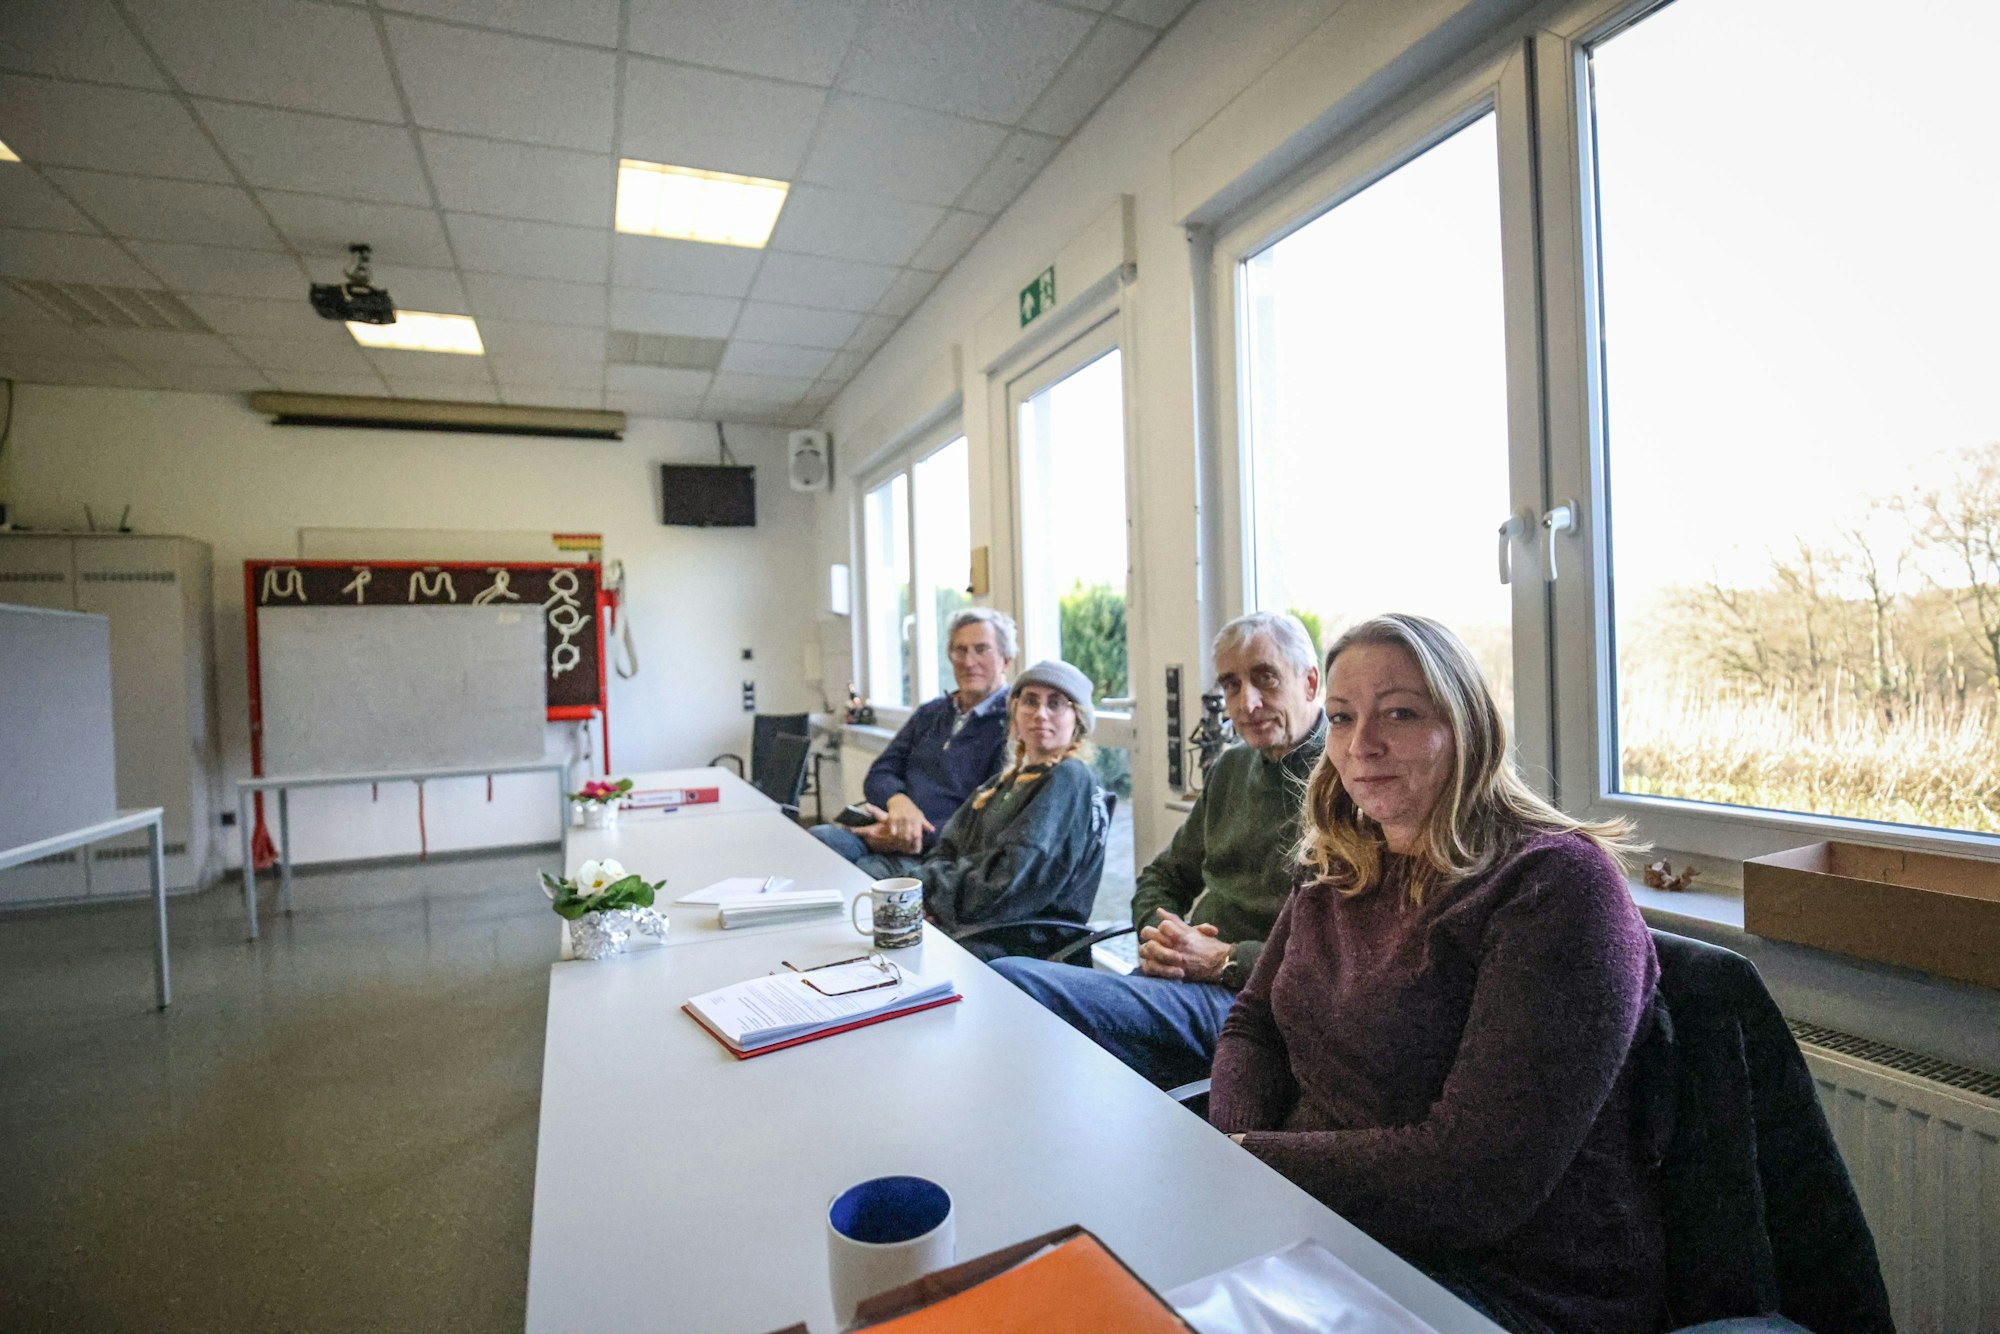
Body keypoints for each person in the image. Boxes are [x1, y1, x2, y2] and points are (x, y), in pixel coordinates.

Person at [1209, 613, 1663, 1334]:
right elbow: (1252, 1023)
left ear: (1466, 726)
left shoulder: (1555, 887)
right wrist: (1236, 1161)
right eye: (1342, 718)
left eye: (1401, 713)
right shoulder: (1338, 862)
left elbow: (1475, 1178)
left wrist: (1246, 1163)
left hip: (1498, 1283)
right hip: (1319, 1227)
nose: (1362, 747)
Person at [990, 611, 1326, 1088]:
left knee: (1009, 982)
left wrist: (1224, 957)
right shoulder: (1232, 769)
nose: (1246, 703)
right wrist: (1163, 936)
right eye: (1231, 685)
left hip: (1249, 1004)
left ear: (1310, 682)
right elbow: (1162, 876)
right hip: (1180, 979)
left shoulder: (1344, 783)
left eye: (1265, 678)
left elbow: (1337, 961)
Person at [919, 660, 1110, 961]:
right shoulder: (999, 785)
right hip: (976, 923)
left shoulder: (1070, 778)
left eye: (1056, 704)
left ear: (1078, 719)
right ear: (1015, 712)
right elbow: (943, 851)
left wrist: (935, 897)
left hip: (1023, 946)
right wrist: (933, 900)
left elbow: (1007, 883)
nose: (1040, 714)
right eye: (1030, 701)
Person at [810, 609, 1015, 880]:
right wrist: (899, 803)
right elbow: (880, 772)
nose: (969, 661)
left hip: (942, 855)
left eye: (981, 649)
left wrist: (909, 833)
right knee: (815, 843)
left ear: (1006, 660)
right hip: (890, 830)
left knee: (860, 879)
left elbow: (988, 820)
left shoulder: (1013, 725)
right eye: (959, 650)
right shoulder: (930, 714)